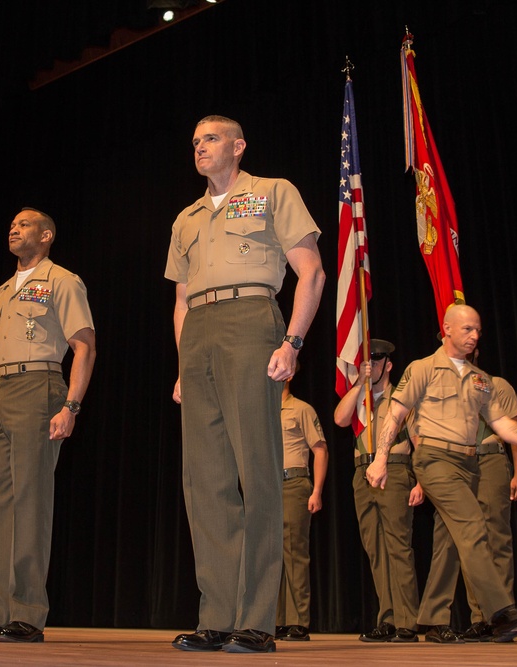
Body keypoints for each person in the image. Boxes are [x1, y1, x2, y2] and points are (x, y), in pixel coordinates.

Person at [165, 115, 325, 654]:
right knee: (205, 481)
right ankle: (216, 617)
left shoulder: (273, 192)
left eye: (210, 139)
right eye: (194, 142)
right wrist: (184, 365)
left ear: (238, 145)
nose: (200, 148)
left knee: (258, 472)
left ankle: (256, 620)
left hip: (253, 321)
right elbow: (182, 301)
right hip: (200, 334)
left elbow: (313, 272)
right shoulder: (185, 218)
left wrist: (293, 343)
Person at [0, 208, 96, 644]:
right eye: (11, 224)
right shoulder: (0, 292)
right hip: (2, 389)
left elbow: (85, 346)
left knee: (31, 499)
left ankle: (29, 613)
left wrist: (71, 405)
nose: (14, 228)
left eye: (25, 224)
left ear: (47, 235)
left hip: (41, 385)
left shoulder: (63, 280)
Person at [365, 304, 517, 643]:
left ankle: (433, 618)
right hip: (434, 460)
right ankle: (501, 611)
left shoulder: (481, 379)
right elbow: (395, 415)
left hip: (469, 464)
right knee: (473, 526)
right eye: (467, 329)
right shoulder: (423, 368)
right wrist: (380, 459)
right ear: (447, 328)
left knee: (451, 540)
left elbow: (498, 420)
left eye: (478, 330)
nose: (474, 335)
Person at [414, 373, 517, 643]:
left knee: (494, 538)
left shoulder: (498, 385)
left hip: (490, 460)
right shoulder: (436, 384)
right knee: (449, 540)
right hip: (452, 464)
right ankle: (442, 620)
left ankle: (495, 619)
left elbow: (516, 429)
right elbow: (420, 433)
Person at [334, 339, 422, 643]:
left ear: (388, 364)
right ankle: (387, 618)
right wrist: (360, 382)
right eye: (366, 359)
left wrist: (421, 481)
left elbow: (418, 440)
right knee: (376, 549)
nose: (370, 364)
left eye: (377, 359)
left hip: (395, 470)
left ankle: (407, 621)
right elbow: (339, 418)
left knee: (398, 547)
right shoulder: (361, 399)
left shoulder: (402, 397)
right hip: (362, 472)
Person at [275, 366, 329, 641]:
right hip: (269, 488)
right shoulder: (263, 410)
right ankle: (278, 619)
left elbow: (320, 449)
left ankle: (298, 621)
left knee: (294, 553)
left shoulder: (301, 409)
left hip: (295, 483)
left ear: (289, 375)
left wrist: (316, 491)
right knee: (273, 557)